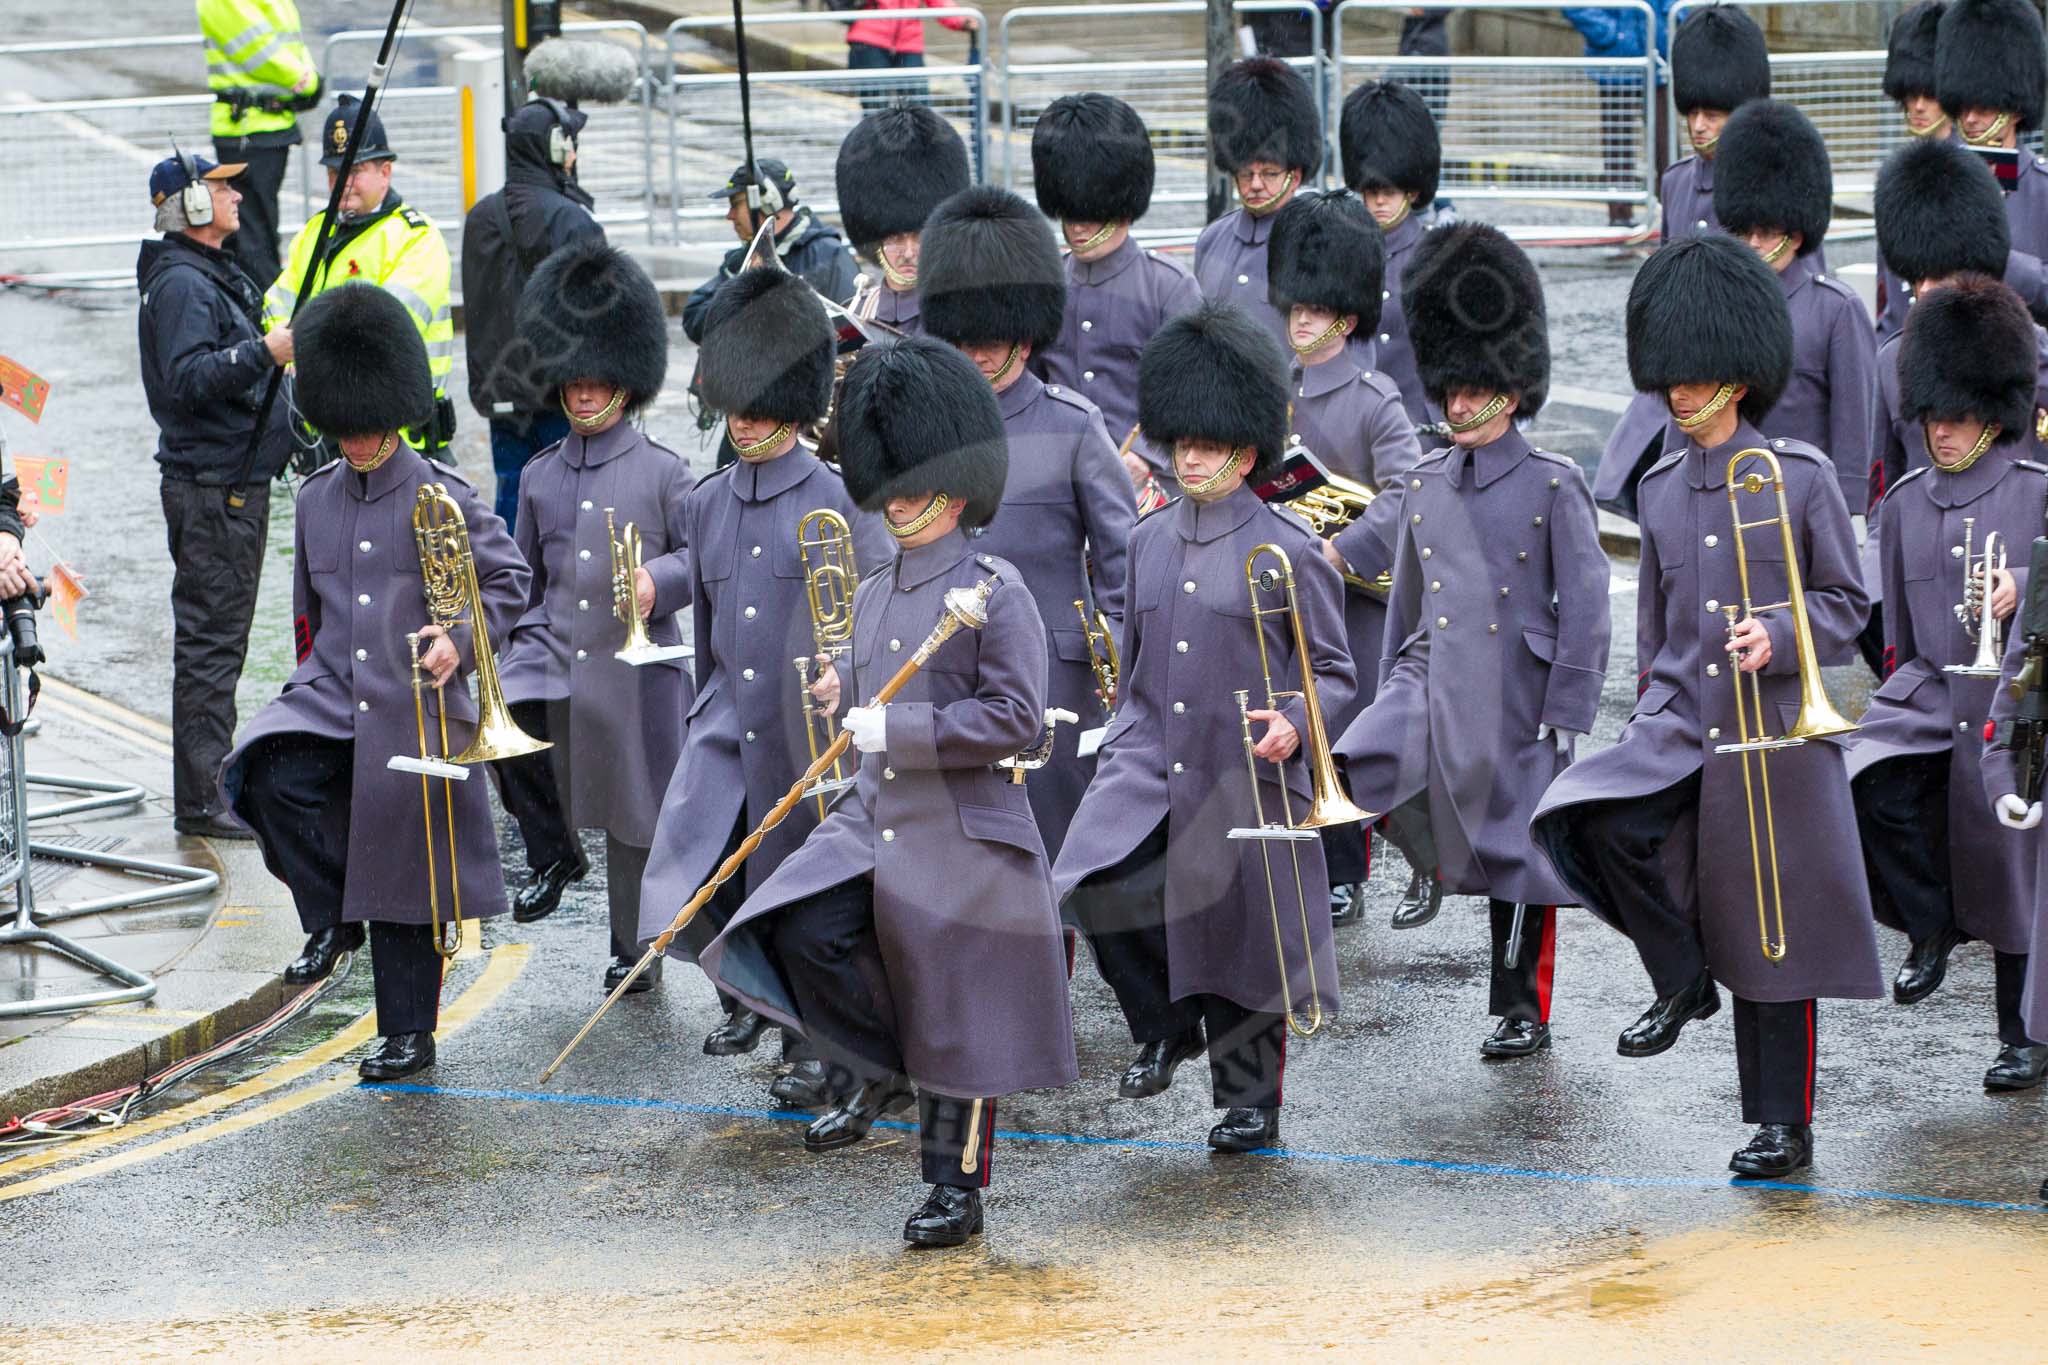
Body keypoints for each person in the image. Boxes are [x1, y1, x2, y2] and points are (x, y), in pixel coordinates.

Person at [697, 334, 1077, 1249]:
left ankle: (954, 1184)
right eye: (890, 484)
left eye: (912, 484)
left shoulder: (997, 590)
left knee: (957, 1010)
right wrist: (844, 695)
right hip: (876, 817)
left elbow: (1018, 719)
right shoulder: (871, 589)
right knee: (796, 923)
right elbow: (875, 688)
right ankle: (873, 1066)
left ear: (955, 487)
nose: (896, 500)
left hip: (962, 827)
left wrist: (894, 729)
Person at [1531, 233, 1882, 1181]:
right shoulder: (1658, 487)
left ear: (1737, 374)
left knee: (1778, 936)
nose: (1677, 396)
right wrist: (1649, 713)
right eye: (1669, 380)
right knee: (1591, 816)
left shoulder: (1798, 476)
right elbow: (1657, 630)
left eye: (1692, 379)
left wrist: (1782, 630)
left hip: (1775, 732)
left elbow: (1849, 604)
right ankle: (1682, 976)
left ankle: (1781, 1124)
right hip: (1685, 723)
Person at [1055, 300, 1356, 1155]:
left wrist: (1296, 724)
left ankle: (1249, 1097)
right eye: (1180, 441)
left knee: (1241, 935)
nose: (1188, 455)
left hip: (1246, 763)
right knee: (1092, 881)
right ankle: (1164, 1021)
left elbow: (1335, 670)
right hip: (1149, 755)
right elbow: (1142, 659)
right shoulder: (1147, 541)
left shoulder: (1289, 548)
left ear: (1246, 449)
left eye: (1206, 442)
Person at [223, 283, 527, 1081]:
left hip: (413, 704)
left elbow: (508, 581)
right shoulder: (318, 498)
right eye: (345, 431)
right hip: (333, 694)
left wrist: (457, 642)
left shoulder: (443, 497)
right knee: (260, 771)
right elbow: (306, 618)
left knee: (405, 870)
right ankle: (329, 915)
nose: (356, 443)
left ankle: (407, 1033)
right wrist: (302, 693)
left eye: (368, 430)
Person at [1337, 224, 1610, 1057]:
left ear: (1509, 387)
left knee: (1521, 860)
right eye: (1449, 389)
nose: (1456, 404)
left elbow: (1588, 602)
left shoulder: (1553, 482)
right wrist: (1389, 689)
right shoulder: (1425, 481)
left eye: (1471, 390)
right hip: (1432, 675)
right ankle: (1424, 859)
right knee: (1360, 765)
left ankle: (1521, 1006)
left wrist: (1565, 707)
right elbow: (1409, 606)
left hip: (1519, 691)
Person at [640, 267, 889, 1102]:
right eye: (735, 404)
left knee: (797, 892)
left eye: (757, 405)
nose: (742, 421)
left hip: (804, 732)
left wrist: (845, 676)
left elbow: (878, 616)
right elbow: (711, 635)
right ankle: (755, 998)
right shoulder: (710, 502)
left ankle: (810, 1042)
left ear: (790, 403)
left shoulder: (840, 502)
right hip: (728, 723)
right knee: (689, 875)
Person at [1848, 275, 2048, 1092]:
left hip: (2020, 699)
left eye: (1956, 416)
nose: (1940, 430)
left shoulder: (2036, 491)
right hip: (1933, 690)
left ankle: (2024, 1034)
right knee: (1861, 781)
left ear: (1991, 414)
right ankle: (1928, 924)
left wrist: (2027, 587)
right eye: (1931, 415)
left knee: (2016, 872)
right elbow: (1897, 637)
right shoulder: (1903, 503)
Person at [489, 241, 694, 994]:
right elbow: (524, 575)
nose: (581, 394)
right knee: (500, 720)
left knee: (633, 814)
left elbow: (699, 562)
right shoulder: (541, 474)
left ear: (625, 382)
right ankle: (551, 849)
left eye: (595, 381)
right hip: (554, 649)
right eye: (571, 381)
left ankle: (632, 943)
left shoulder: (666, 471)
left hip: (632, 662)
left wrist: (656, 581)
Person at [917, 184, 1135, 860]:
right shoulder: (931, 416)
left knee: (1050, 853)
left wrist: (1121, 668)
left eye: (991, 342)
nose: (977, 355)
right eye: (966, 341)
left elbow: (1123, 560)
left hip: (1053, 679)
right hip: (948, 669)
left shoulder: (1072, 423)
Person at [1263, 188, 1424, 924]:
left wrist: (1340, 546)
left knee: (1340, 727)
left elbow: (1408, 492)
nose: (1301, 320)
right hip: (1283, 591)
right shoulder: (1277, 392)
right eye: (1295, 308)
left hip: (1354, 591)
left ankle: (1347, 867)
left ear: (1346, 317)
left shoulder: (1375, 399)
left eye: (1316, 311)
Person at [136, 150, 296, 840]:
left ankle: (208, 786)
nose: (236, 194)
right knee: (210, 646)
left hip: (230, 483)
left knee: (219, 644)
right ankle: (202, 799)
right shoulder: (180, 287)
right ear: (191, 205)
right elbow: (185, 384)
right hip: (212, 491)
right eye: (221, 187)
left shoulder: (206, 274)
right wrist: (265, 352)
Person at [1592, 3, 1774, 521]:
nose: (1698, 125)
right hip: (1682, 394)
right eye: (1692, 112)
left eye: (1713, 114)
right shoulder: (1675, 181)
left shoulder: (1767, 183)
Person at [1029, 93, 1202, 502]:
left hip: (1149, 492)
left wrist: (1145, 457)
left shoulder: (1168, 288)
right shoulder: (1045, 284)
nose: (1077, 226)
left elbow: (1197, 393)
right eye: (1069, 212)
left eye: (1089, 212)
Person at [266, 95, 456, 457]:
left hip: (403, 441)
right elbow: (277, 301)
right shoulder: (315, 233)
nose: (344, 184)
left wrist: (308, 349)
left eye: (355, 171)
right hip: (332, 435)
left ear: (385, 173)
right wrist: (287, 351)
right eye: (335, 173)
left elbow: (387, 330)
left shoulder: (416, 236)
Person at [462, 96, 605, 531]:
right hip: (562, 399)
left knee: (513, 509)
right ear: (557, 149)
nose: (575, 154)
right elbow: (600, 318)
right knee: (572, 516)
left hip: (500, 397)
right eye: (570, 144)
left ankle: (514, 596)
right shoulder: (572, 221)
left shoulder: (480, 217)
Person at [1193, 58, 1323, 348]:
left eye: (1269, 173)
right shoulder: (1212, 240)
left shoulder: (1320, 240)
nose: (1254, 184)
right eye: (1245, 172)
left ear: (1295, 175)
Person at [197, 0, 321, 286]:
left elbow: (291, 43)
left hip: (269, 126)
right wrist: (306, 80)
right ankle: (266, 319)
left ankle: (262, 316)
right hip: (247, 128)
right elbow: (257, 50)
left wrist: (307, 75)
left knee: (259, 234)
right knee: (252, 241)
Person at [1337, 79, 1440, 425]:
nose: (1380, 200)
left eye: (1391, 189)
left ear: (1412, 190)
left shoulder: (1435, 256)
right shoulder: (1341, 251)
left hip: (1419, 430)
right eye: (1372, 189)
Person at [832, 102, 972, 337]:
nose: (908, 252)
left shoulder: (965, 315)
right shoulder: (856, 313)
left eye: (919, 237)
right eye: (895, 238)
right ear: (875, 237)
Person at [682, 160, 858, 345]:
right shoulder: (739, 260)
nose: (730, 215)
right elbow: (695, 315)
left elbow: (852, 332)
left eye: (736, 204)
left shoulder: (829, 255)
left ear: (769, 202)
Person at [1871, 1, 1950, 343]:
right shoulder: (1894, 174)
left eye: (1929, 94)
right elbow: (1886, 290)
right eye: (1910, 93)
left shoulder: (1982, 172)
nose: (1917, 106)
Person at [1562, 0, 1671, 227]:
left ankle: (1674, 211)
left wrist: (1672, 20)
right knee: (1618, 144)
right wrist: (1609, 34)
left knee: (1667, 143)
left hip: (1656, 56)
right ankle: (1620, 216)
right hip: (1617, 60)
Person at [843, 0, 976, 114]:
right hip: (869, 37)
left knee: (919, 108)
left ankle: (916, 143)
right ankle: (876, 143)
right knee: (875, 108)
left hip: (909, 39)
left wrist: (961, 20)